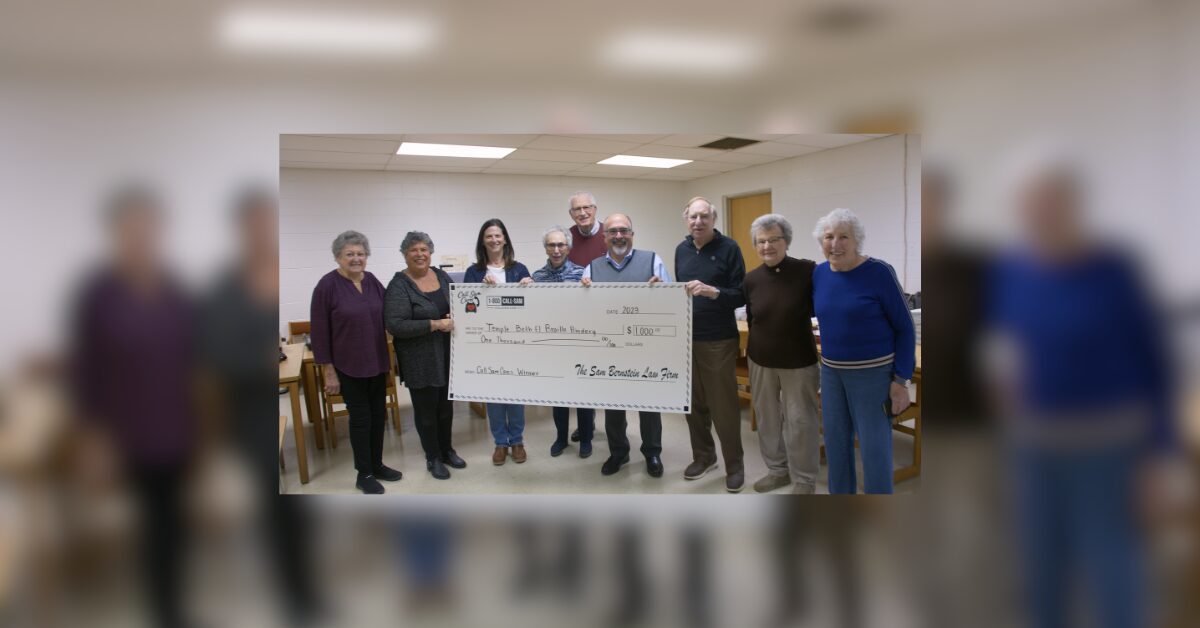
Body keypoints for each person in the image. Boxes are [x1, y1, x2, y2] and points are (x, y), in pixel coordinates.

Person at [69, 184, 198, 628]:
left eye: (149, 227)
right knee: (147, 528)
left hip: (177, 428)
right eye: (132, 228)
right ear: (116, 232)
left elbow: (192, 357)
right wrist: (93, 440)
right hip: (126, 434)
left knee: (175, 527)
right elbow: (87, 370)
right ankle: (164, 612)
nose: (141, 236)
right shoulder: (98, 294)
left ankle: (174, 608)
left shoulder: (173, 289)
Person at [811, 208, 916, 494]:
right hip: (832, 375)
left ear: (856, 240)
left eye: (843, 236)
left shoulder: (879, 272)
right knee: (836, 445)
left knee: (875, 450)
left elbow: (906, 329)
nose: (835, 244)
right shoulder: (819, 274)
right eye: (828, 236)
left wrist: (900, 381)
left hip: (873, 375)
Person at [580, 213, 671, 477]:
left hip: (646, 349)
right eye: (613, 231)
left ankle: (652, 453)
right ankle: (618, 452)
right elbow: (584, 312)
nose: (619, 235)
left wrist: (664, 289)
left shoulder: (654, 261)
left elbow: (671, 303)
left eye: (624, 230)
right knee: (613, 406)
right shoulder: (592, 269)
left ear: (632, 233)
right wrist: (582, 293)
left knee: (649, 406)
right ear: (604, 236)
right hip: (609, 350)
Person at [310, 230, 400, 494]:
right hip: (348, 366)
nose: (356, 258)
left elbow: (390, 310)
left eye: (361, 253)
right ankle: (364, 473)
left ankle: (377, 464)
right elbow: (319, 332)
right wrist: (328, 371)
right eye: (350, 254)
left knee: (378, 415)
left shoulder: (371, 280)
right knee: (361, 419)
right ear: (338, 257)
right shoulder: (326, 286)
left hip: (377, 361)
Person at [674, 196, 748, 493]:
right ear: (686, 219)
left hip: (718, 339)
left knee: (723, 408)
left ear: (713, 220)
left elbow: (741, 294)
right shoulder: (681, 250)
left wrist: (713, 292)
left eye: (704, 216)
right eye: (693, 217)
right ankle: (704, 457)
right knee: (693, 405)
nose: (698, 222)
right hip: (687, 339)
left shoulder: (729, 248)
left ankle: (735, 466)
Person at [743, 214, 821, 494]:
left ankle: (804, 479)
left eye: (773, 239)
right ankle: (777, 471)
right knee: (767, 418)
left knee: (801, 421)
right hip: (760, 360)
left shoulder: (807, 271)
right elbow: (754, 319)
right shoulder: (751, 279)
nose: (767, 246)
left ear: (786, 241)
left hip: (798, 361)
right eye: (761, 241)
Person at [384, 231, 466, 480]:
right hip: (420, 359)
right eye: (413, 250)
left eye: (424, 250)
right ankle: (432, 457)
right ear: (405, 254)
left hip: (447, 354)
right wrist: (434, 324)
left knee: (446, 408)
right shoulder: (399, 285)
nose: (420, 254)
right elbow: (395, 325)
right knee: (426, 412)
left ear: (430, 253)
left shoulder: (441, 275)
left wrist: (457, 316)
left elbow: (458, 303)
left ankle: (447, 449)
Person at [464, 218, 533, 465]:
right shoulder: (474, 272)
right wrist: (479, 292)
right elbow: (467, 309)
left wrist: (530, 287)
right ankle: (500, 443)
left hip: (516, 344)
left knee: (516, 396)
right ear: (483, 241)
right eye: (489, 236)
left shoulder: (519, 269)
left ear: (505, 239)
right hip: (488, 345)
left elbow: (532, 308)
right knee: (494, 397)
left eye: (498, 235)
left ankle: (517, 441)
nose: (494, 240)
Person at [528, 225, 594, 458]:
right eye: (551, 245)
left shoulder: (583, 273)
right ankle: (561, 439)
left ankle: (586, 439)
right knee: (558, 397)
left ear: (568, 247)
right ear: (546, 248)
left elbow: (592, 309)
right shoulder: (537, 277)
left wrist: (591, 290)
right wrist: (527, 292)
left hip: (579, 344)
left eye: (561, 244)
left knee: (584, 396)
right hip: (552, 347)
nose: (556, 249)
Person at [566, 191, 608, 267]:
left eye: (586, 207)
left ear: (595, 209)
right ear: (571, 214)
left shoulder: (611, 234)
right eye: (577, 209)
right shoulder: (566, 237)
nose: (582, 213)